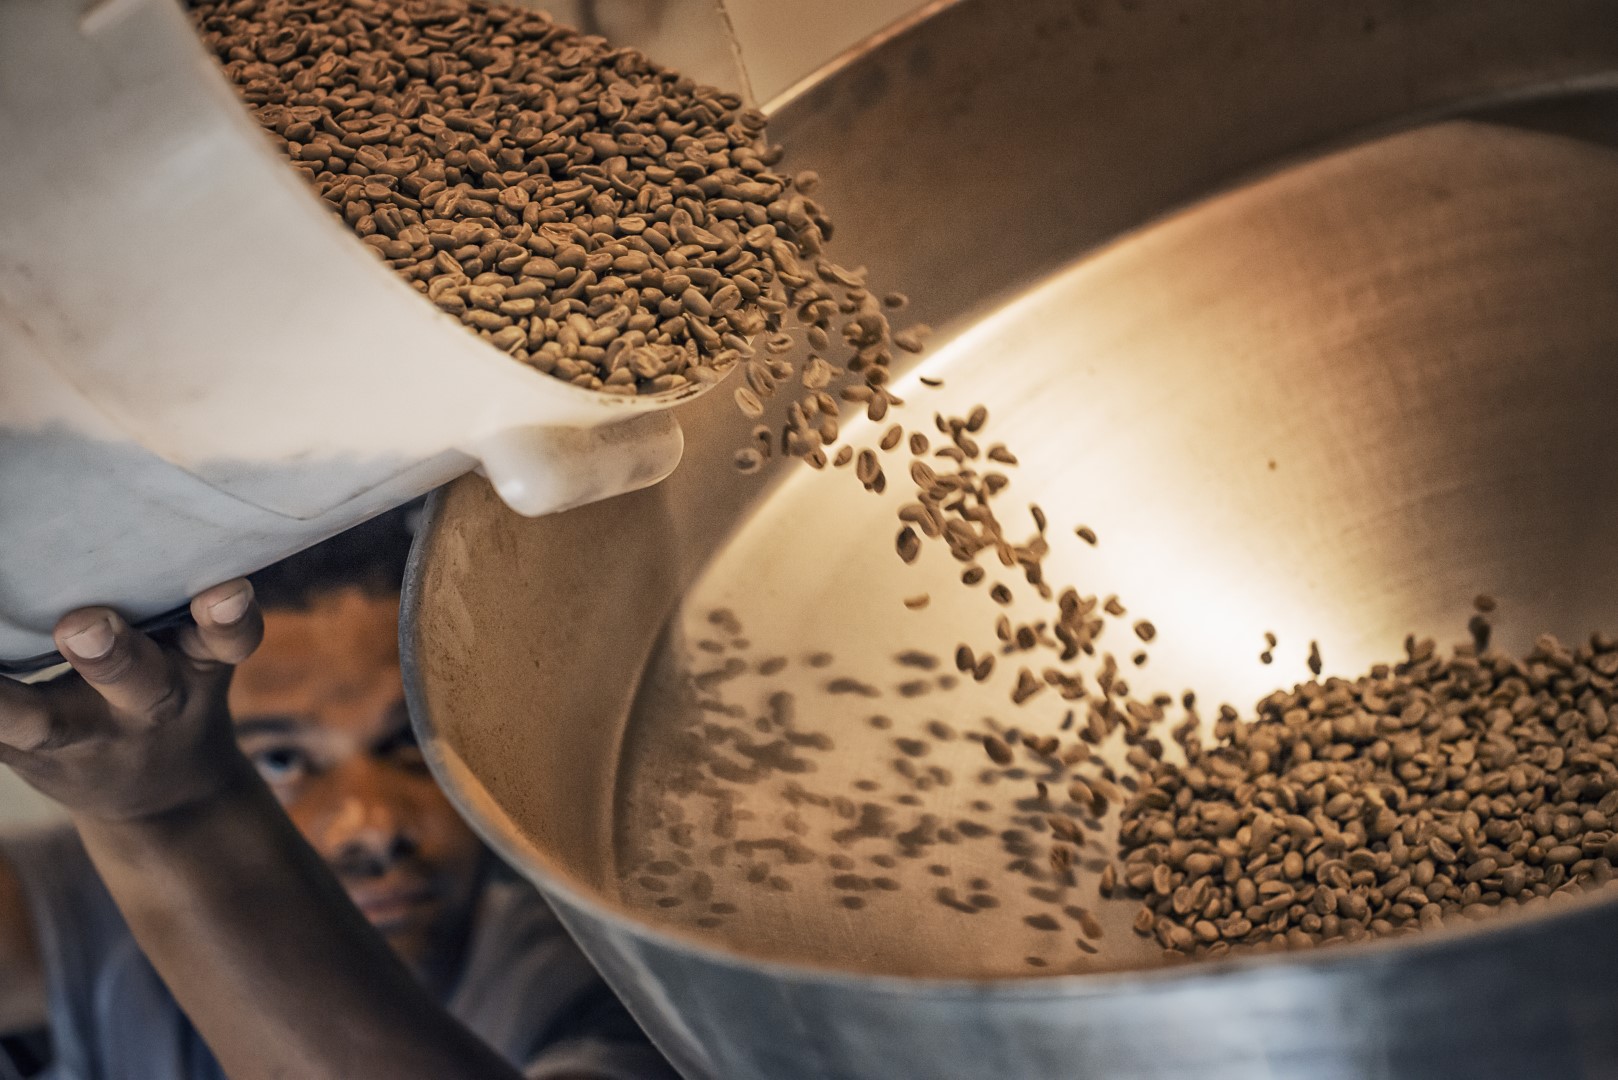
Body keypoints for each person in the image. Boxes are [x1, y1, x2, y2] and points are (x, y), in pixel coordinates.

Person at [0, 510, 677, 1080]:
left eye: (410, 747)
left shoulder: (605, 986)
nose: (371, 825)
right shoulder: (82, 902)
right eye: (282, 759)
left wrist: (171, 815)